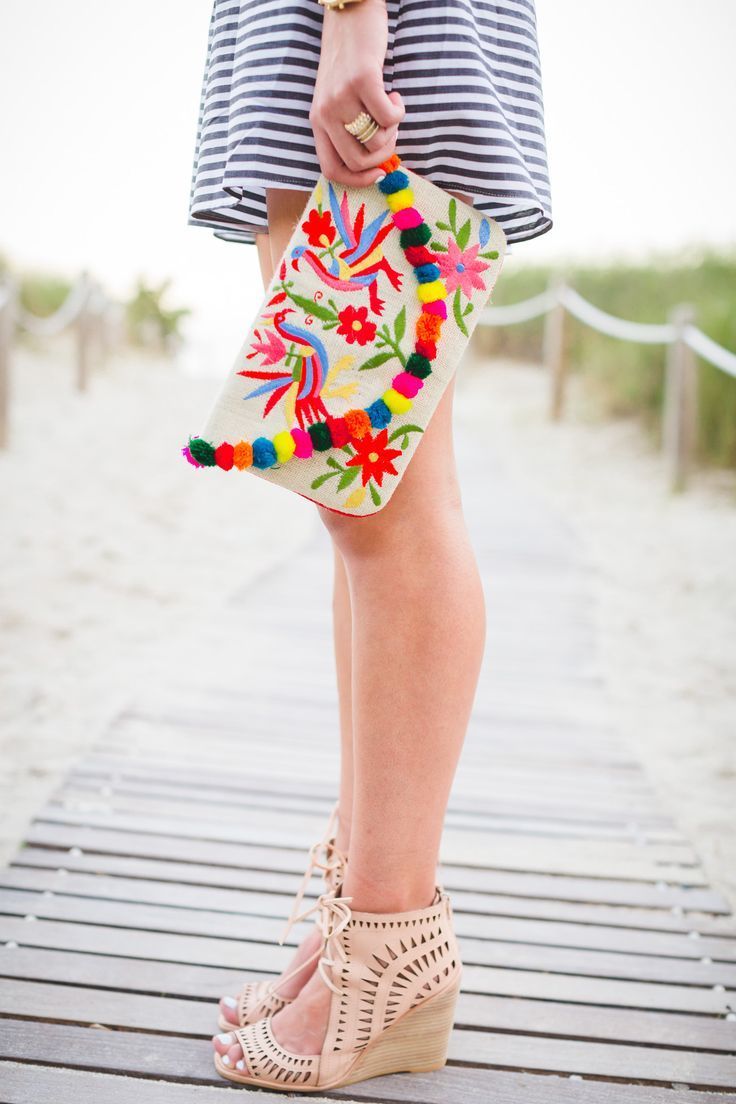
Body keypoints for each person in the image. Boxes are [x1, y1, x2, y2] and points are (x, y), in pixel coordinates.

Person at [188, 0, 552, 1091]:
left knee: (385, 507)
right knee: (358, 506)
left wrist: (352, 22)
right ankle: (361, 918)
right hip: (343, 45)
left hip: (368, 52)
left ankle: (387, 949)